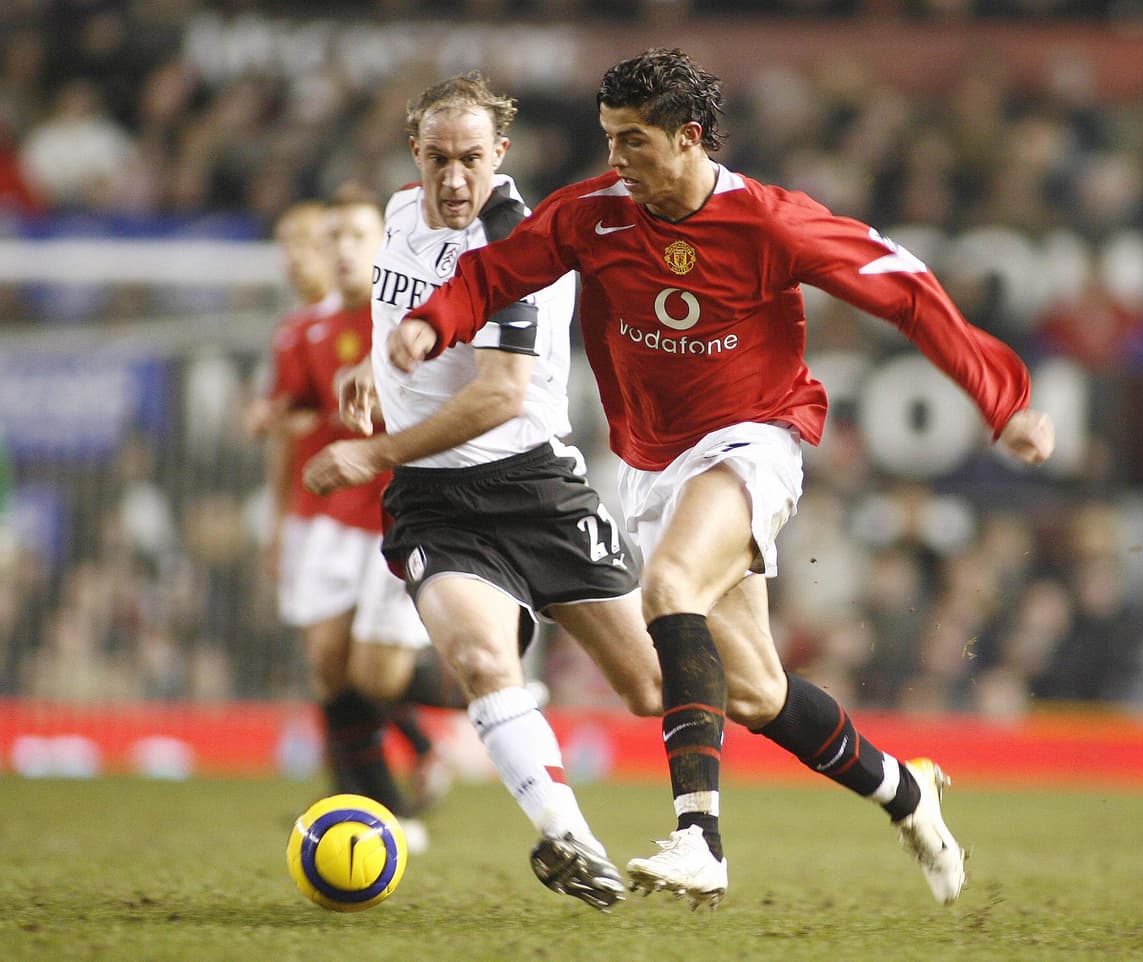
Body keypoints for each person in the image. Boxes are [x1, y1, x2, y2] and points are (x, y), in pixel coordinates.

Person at [388, 48, 1057, 910]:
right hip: (652, 465)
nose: (615, 160)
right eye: (608, 139)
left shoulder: (770, 222)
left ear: (688, 137)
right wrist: (432, 322)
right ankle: (903, 790)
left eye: (632, 142)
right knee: (753, 690)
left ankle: (699, 838)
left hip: (754, 439)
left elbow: (906, 290)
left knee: (671, 590)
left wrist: (1001, 402)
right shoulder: (594, 213)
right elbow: (496, 271)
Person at [301, 73, 664, 912]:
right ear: (414, 155)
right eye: (437, 158)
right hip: (434, 499)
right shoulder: (398, 213)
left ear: (499, 155)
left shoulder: (516, 244)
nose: (453, 179)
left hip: (534, 486)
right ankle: (570, 838)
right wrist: (370, 372)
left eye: (471, 158)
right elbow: (399, 317)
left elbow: (499, 395)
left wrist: (373, 452)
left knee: (651, 689)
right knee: (476, 658)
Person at [248, 194, 459, 853]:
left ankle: (487, 689)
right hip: (330, 515)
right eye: (326, 237)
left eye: (350, 236)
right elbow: (299, 417)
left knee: (375, 675)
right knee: (328, 665)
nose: (333, 250)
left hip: (400, 515)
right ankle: (379, 806)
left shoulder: (409, 320)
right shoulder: (301, 331)